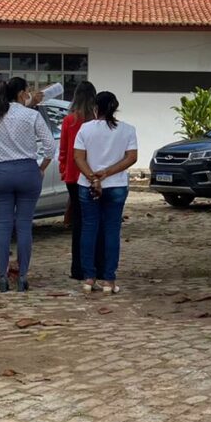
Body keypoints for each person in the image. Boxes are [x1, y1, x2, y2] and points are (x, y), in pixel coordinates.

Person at [0, 76, 56, 293]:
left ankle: (2, 276)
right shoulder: (31, 115)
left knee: (2, 225)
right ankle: (22, 276)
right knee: (24, 225)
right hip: (28, 171)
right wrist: (41, 168)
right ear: (22, 93)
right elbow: (49, 146)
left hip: (2, 171)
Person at [74, 91, 138, 294]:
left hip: (87, 185)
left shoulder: (85, 129)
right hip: (116, 185)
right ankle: (109, 280)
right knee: (111, 231)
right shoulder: (127, 130)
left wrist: (93, 177)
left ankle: (89, 277)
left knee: (89, 229)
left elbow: (78, 157)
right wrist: (107, 173)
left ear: (95, 109)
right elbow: (132, 158)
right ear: (115, 108)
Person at [59, 81, 97, 280]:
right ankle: (93, 265)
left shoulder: (69, 121)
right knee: (93, 221)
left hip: (73, 176)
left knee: (78, 222)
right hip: (93, 175)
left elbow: (63, 150)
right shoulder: (96, 121)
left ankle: (78, 268)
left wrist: (63, 170)